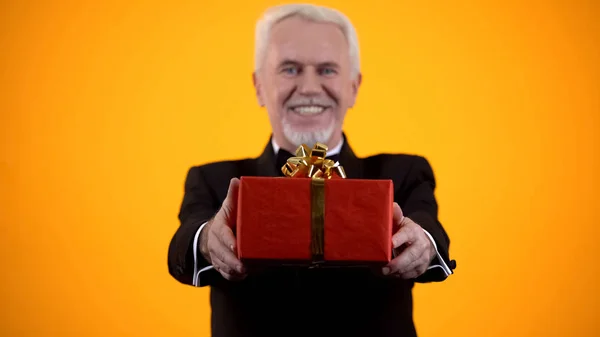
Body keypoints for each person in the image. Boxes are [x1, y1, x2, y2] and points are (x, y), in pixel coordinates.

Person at [167, 3, 455, 337]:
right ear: (259, 86)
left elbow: (432, 230)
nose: (308, 88)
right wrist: (207, 241)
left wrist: (422, 243)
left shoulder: (403, 173)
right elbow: (184, 241)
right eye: (289, 69)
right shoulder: (215, 181)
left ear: (353, 87)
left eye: (328, 70)